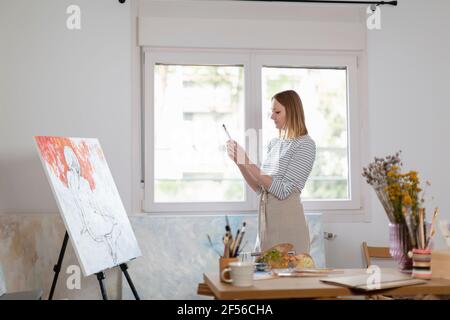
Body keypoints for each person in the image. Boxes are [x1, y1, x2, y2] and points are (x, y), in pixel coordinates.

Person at [226, 90, 316, 254]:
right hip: (266, 229)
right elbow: (260, 188)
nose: (272, 116)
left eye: (277, 112)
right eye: (271, 111)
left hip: (288, 227)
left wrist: (247, 161)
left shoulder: (305, 145)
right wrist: (239, 163)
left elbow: (282, 191)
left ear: (292, 112)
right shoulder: (274, 144)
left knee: (288, 278)